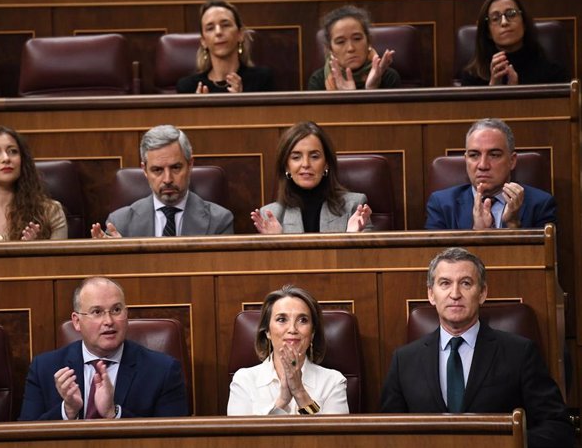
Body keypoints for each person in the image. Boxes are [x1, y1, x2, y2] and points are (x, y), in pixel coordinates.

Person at [380, 247, 574, 448]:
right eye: (445, 283)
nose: (455, 294)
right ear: (431, 294)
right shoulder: (404, 361)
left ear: (482, 293)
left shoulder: (519, 353)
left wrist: (504, 444)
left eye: (466, 283)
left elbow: (557, 428)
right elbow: (386, 434)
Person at [19, 277, 188, 420]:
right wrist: (68, 411)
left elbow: (173, 439)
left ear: (126, 314)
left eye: (116, 310)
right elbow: (24, 438)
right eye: (97, 312)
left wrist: (113, 413)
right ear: (77, 321)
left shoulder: (162, 370)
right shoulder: (44, 368)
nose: (108, 321)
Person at [91, 125, 233, 238]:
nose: (167, 179)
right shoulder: (120, 223)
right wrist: (115, 259)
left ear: (190, 165)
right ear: (145, 170)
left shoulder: (219, 221)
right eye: (157, 170)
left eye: (176, 167)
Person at [227, 285, 348, 415]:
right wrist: (282, 401)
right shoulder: (244, 380)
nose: (292, 329)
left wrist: (299, 392)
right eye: (282, 319)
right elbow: (242, 435)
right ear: (267, 331)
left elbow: (333, 435)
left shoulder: (333, 382)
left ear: (312, 332)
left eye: (303, 320)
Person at [425, 118, 556, 229]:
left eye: (494, 155)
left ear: (512, 161)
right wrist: (478, 234)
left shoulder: (540, 205)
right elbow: (436, 258)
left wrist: (513, 225)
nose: (483, 165)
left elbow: (544, 258)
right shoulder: (442, 205)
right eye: (474, 155)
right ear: (466, 160)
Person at [251, 121, 372, 234]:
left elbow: (372, 256)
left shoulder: (355, 207)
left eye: (314, 156)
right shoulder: (271, 215)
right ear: (286, 166)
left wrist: (352, 238)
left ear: (326, 163)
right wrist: (277, 243)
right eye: (296, 157)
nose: (306, 164)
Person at [460, 0, 569, 86]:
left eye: (511, 14)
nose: (504, 22)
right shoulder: (472, 77)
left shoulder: (553, 74)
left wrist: (516, 91)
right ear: (488, 32)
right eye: (495, 18)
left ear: (524, 23)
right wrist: (492, 89)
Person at [176, 0, 274, 93]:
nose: (218, 32)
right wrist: (197, 108)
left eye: (225, 25)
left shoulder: (262, 80)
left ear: (240, 34)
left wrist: (242, 101)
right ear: (203, 41)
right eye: (210, 28)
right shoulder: (188, 87)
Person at [308, 5, 400, 91]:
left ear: (368, 42)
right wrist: (346, 97)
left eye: (357, 39)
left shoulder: (388, 77)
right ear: (330, 48)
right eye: (340, 42)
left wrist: (371, 88)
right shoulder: (318, 81)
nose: (351, 48)